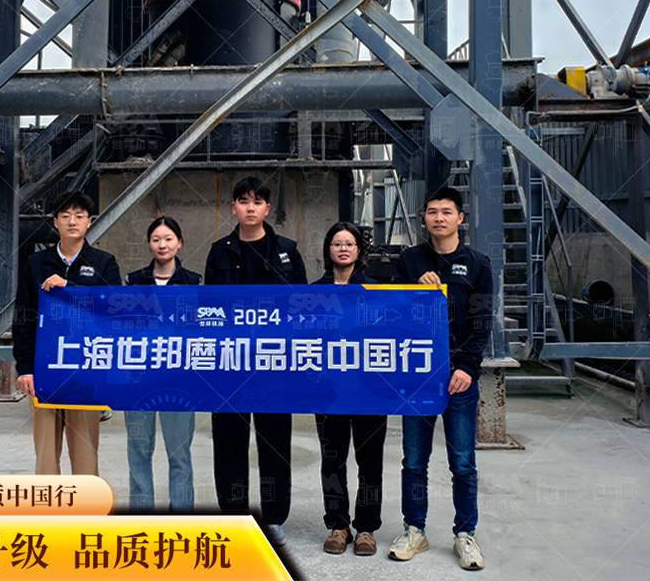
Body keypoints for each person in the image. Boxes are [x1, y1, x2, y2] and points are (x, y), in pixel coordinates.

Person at [387, 187, 492, 571]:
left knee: (462, 461)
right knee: (415, 460)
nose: (438, 218)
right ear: (425, 219)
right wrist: (415, 291)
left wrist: (467, 368)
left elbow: (482, 320)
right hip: (418, 376)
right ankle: (414, 529)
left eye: (446, 212)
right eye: (432, 212)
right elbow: (392, 313)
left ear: (460, 218)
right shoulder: (410, 260)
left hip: (458, 378)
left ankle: (465, 534)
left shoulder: (477, 264)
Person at [204, 176, 307, 546]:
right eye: (244, 201)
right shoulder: (219, 252)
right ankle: (233, 515)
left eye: (258, 201)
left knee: (274, 443)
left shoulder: (287, 251)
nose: (250, 207)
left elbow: (302, 308)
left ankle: (274, 517)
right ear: (233, 207)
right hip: (230, 365)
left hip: (273, 365)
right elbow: (208, 310)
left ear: (267, 208)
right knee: (229, 443)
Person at [12, 191, 121, 475]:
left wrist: (70, 287)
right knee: (46, 457)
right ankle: (50, 506)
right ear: (55, 222)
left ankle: (86, 505)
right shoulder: (36, 264)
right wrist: (25, 368)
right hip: (45, 370)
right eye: (65, 216)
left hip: (87, 369)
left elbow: (114, 312)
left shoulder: (104, 263)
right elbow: (23, 317)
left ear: (89, 222)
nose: (72, 221)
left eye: (79, 216)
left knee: (85, 456)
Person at [313, 221, 386, 557]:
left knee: (369, 460)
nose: (343, 249)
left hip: (370, 388)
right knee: (333, 459)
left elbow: (390, 333)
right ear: (328, 250)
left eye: (349, 244)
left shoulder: (376, 290)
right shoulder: (313, 292)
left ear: (359, 250)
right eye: (337, 243)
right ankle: (338, 525)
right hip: (328, 389)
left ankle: (366, 527)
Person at [124, 216, 201, 511]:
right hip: (139, 380)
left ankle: (181, 515)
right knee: (138, 451)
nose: (162, 245)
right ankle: (141, 513)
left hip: (179, 382)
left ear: (179, 243)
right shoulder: (133, 281)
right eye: (156, 239)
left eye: (168, 239)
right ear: (149, 244)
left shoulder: (194, 283)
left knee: (179, 454)